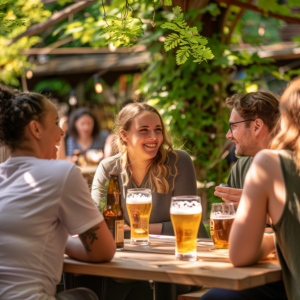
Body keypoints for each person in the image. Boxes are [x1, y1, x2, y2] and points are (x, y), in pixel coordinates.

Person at [77, 102, 208, 300]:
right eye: (144, 130)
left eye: (158, 130)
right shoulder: (108, 168)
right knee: (105, 279)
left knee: (147, 282)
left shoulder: (179, 161)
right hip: (130, 265)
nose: (154, 137)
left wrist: (138, 230)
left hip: (179, 262)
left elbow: (188, 227)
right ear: (124, 135)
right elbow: (99, 225)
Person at [0, 85, 116, 300]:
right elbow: (103, 251)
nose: (62, 132)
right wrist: (60, 241)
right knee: (87, 295)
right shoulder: (61, 172)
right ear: (36, 129)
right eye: (55, 123)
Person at [202, 91, 288, 300]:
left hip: (288, 277)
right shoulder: (241, 168)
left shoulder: (293, 165)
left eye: (234, 126)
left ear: (257, 126)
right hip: (254, 271)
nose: (228, 135)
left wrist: (260, 209)